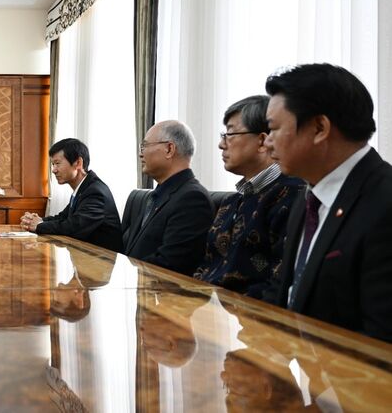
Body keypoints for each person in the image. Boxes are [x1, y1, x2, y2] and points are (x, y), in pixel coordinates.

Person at [263, 63, 392, 341]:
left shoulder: (384, 202)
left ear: (320, 128)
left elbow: (380, 336)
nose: (267, 143)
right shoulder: (309, 195)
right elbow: (285, 292)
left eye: (273, 129)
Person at [194, 96, 304, 299]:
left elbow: (279, 280)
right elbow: (208, 265)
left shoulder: (291, 195)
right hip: (208, 305)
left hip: (248, 312)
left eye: (229, 134)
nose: (221, 144)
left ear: (262, 141)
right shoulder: (232, 201)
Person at [122, 120, 213, 275]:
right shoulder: (157, 195)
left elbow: (170, 264)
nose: (140, 154)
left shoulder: (192, 199)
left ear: (169, 149)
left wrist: (125, 272)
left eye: (144, 146)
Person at [20, 138, 123, 252]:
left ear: (78, 163)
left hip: (103, 259)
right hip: (86, 255)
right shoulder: (84, 187)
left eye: (57, 163)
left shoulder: (95, 192)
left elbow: (74, 227)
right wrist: (38, 220)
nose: (53, 170)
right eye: (53, 164)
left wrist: (39, 225)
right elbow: (63, 217)